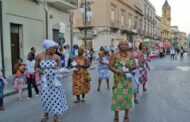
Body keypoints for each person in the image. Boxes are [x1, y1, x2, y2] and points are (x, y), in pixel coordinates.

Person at [35, 40, 68, 122]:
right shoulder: (39, 56)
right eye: (53, 48)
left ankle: (55, 116)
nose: (55, 50)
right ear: (48, 48)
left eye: (55, 48)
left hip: (55, 82)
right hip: (45, 82)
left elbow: (59, 69)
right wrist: (41, 71)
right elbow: (36, 68)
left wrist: (62, 71)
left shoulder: (57, 57)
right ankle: (46, 115)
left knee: (56, 98)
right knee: (46, 98)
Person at [109, 38, 135, 122]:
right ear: (119, 46)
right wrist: (117, 71)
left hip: (127, 80)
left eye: (126, 44)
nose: (124, 46)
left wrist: (130, 66)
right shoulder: (115, 55)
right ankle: (116, 115)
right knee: (117, 98)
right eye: (122, 44)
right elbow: (110, 66)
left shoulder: (131, 55)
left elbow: (134, 66)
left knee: (127, 97)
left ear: (128, 46)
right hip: (118, 80)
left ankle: (126, 115)